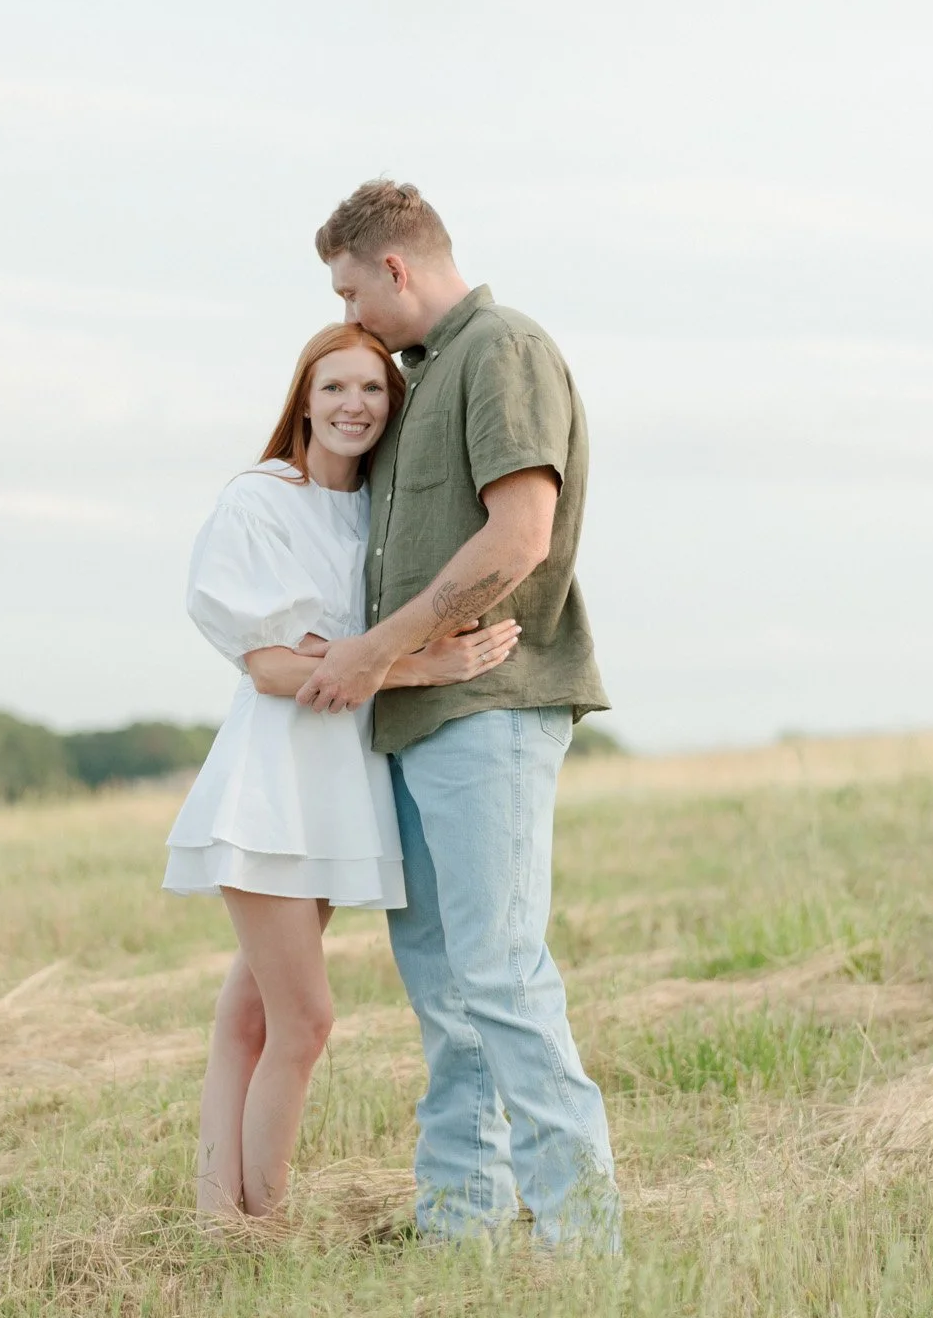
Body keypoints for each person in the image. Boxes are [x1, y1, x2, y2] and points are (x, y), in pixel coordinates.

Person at [297, 180, 623, 1252]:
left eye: (352, 289)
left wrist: (378, 650)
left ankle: (583, 1244)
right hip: (415, 724)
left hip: (491, 710)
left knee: (498, 970)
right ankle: (459, 1234)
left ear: (395, 267)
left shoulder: (502, 350)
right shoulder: (412, 381)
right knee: (443, 990)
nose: (352, 314)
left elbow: (517, 534)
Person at [164, 321, 521, 1221]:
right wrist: (422, 666)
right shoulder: (259, 500)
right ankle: (257, 1225)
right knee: (306, 1021)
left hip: (337, 786)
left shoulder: (373, 514)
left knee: (252, 1014)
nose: (353, 406)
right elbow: (273, 668)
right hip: (274, 785)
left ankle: (220, 1221)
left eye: (371, 390)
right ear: (303, 398)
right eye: (334, 388)